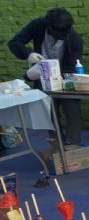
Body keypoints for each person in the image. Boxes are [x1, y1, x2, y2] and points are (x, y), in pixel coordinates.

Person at [7, 8, 84, 144]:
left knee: (72, 109)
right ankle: (56, 144)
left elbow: (72, 66)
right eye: (55, 34)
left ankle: (74, 145)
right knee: (50, 112)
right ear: (48, 26)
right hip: (43, 77)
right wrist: (28, 53)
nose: (58, 37)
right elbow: (14, 43)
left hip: (66, 77)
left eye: (62, 35)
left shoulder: (74, 38)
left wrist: (61, 79)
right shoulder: (38, 25)